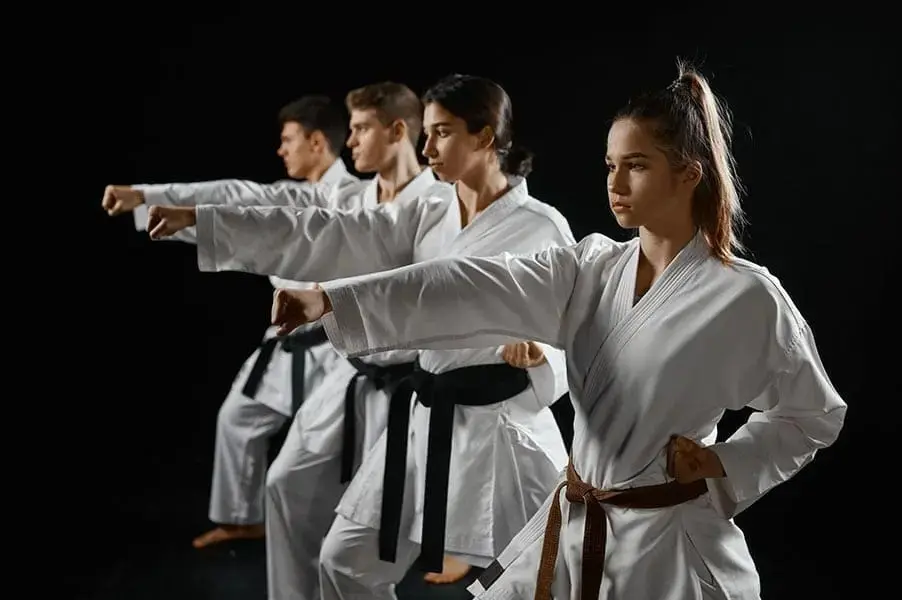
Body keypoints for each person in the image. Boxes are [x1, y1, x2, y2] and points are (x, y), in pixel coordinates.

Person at [269, 61, 848, 600]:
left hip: (669, 540)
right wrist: (332, 298)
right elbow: (469, 285)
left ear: (688, 175)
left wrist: (724, 461)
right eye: (610, 165)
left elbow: (811, 415)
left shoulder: (744, 295)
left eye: (637, 165)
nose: (615, 182)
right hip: (577, 516)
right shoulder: (590, 267)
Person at [147, 73, 575, 597]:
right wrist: (207, 222)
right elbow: (333, 232)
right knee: (346, 563)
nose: (427, 146)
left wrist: (539, 353)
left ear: (485, 137)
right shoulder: (429, 211)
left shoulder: (542, 226)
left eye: (442, 132)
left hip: (503, 429)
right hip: (423, 416)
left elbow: (570, 328)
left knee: (546, 580)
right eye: (427, 133)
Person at [102, 95, 361, 550]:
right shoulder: (294, 195)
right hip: (288, 343)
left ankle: (349, 532)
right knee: (238, 419)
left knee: (335, 451)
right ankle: (243, 518)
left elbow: (241, 200)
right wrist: (147, 197)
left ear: (317, 142)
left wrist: (151, 198)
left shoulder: (358, 198)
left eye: (288, 140)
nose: (281, 150)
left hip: (342, 348)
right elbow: (234, 194)